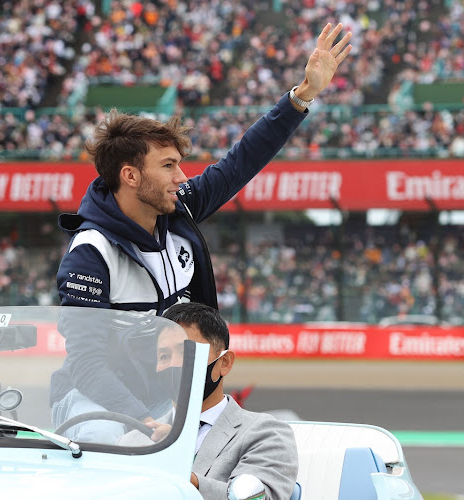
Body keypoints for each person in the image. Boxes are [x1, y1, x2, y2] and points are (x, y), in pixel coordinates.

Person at [51, 23, 353, 442]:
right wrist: (145, 421)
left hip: (164, 399)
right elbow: (86, 367)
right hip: (96, 401)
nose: (182, 176)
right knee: (124, 444)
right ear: (130, 175)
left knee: (257, 443)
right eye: (169, 165)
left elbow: (240, 162)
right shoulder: (90, 253)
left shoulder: (179, 208)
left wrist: (301, 96)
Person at [162, 302, 298, 500]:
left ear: (224, 363)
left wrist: (177, 472)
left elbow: (259, 498)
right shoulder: (134, 440)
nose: (173, 364)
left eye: (186, 353)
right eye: (163, 356)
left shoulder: (265, 434)